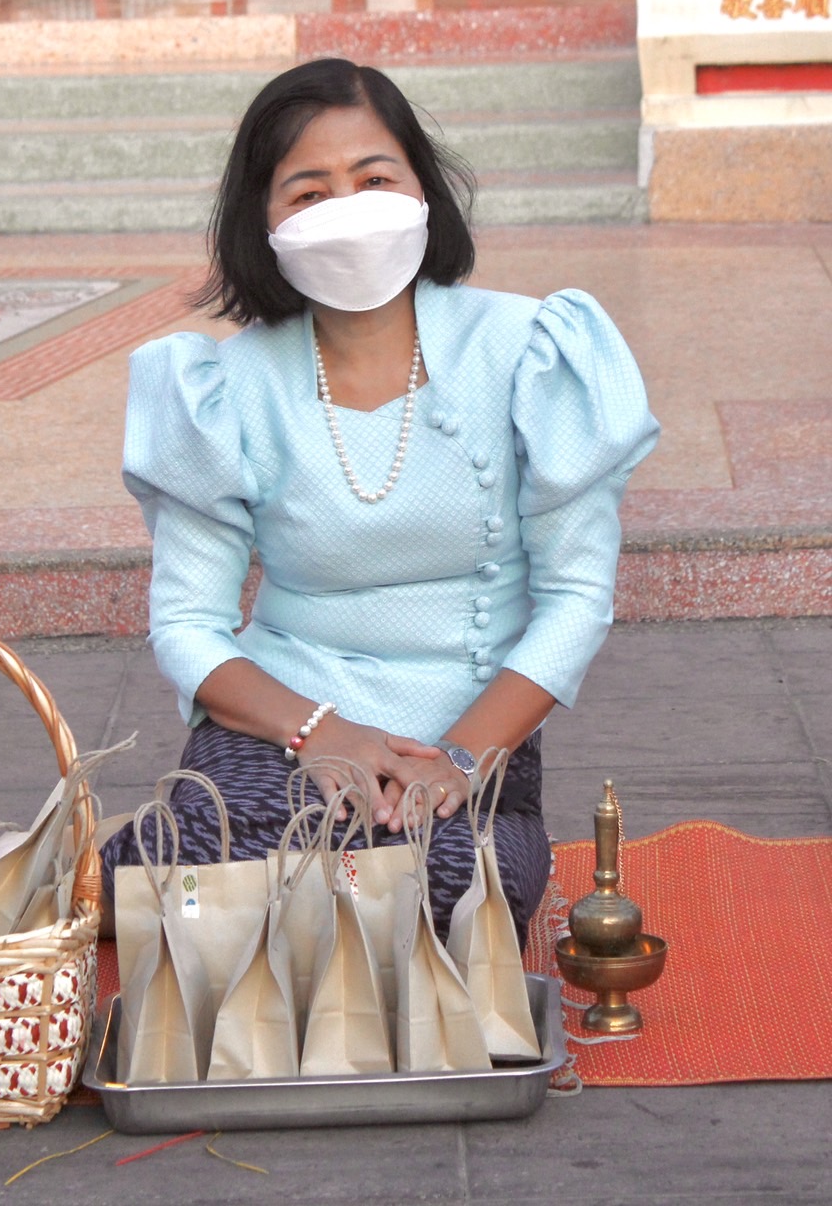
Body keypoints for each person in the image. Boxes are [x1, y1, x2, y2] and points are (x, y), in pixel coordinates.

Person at [100, 58, 659, 946]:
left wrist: (462, 760)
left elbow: (576, 600)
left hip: (467, 732)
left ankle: (153, 884)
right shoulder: (222, 386)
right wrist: (322, 734)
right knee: (210, 852)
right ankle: (148, 862)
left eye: (373, 179)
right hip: (285, 725)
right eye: (308, 193)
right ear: (264, 221)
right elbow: (188, 628)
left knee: (455, 889)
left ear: (423, 190)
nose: (347, 209)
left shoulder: (530, 351)